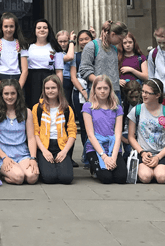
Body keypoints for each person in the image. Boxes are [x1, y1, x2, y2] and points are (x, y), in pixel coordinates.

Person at [0, 79, 39, 185]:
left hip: (22, 154)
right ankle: (1, 173)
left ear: (18, 94)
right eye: (6, 93)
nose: (9, 97)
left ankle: (18, 169)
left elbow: (31, 138)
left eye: (13, 93)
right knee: (19, 178)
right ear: (1, 95)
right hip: (4, 155)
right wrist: (4, 157)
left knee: (32, 177)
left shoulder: (27, 112)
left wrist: (33, 158)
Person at [127, 79, 165, 184]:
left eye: (147, 93)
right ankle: (147, 170)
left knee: (161, 177)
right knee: (146, 177)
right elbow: (131, 137)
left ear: (157, 95)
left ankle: (160, 170)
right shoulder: (136, 110)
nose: (143, 95)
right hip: (143, 153)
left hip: (161, 153)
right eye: (143, 91)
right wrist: (142, 152)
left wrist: (158, 157)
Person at [32, 75, 76, 184]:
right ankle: (44, 165)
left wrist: (65, 151)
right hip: (44, 146)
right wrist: (44, 151)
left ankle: (60, 164)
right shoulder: (37, 108)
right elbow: (35, 132)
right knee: (49, 178)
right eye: (47, 88)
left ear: (59, 89)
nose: (50, 91)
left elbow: (72, 132)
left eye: (53, 88)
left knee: (66, 178)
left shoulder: (67, 109)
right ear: (44, 90)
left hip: (61, 146)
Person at [82, 75, 125, 184]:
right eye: (99, 88)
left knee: (121, 177)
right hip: (95, 146)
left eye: (105, 88)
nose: (102, 91)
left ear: (110, 89)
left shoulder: (117, 108)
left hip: (112, 146)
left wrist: (113, 157)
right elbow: (90, 135)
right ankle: (94, 168)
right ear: (94, 90)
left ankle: (110, 162)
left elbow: (118, 135)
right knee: (106, 178)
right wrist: (104, 157)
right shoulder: (88, 107)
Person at [78, 20, 129, 102]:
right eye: (120, 39)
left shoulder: (114, 49)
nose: (121, 42)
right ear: (113, 34)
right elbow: (84, 70)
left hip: (115, 92)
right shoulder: (91, 46)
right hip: (98, 92)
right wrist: (102, 83)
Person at [24, 18, 64, 107]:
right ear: (34, 30)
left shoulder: (55, 48)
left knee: (49, 105)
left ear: (49, 30)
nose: (42, 30)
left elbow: (59, 71)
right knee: (33, 106)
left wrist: (59, 88)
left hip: (50, 79)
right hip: (31, 80)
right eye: (39, 28)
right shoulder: (27, 47)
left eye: (45, 28)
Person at [69, 29, 94, 167]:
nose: (84, 41)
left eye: (87, 39)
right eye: (81, 39)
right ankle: (86, 156)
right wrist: (84, 91)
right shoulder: (75, 56)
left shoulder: (97, 54)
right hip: (79, 93)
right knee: (84, 126)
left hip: (96, 93)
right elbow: (73, 77)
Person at [0, 12, 28, 90]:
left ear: (16, 27)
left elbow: (25, 70)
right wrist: (1, 89)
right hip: (0, 78)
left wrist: (18, 89)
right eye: (5, 26)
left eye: (11, 26)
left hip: (17, 78)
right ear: (1, 27)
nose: (8, 29)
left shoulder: (21, 44)